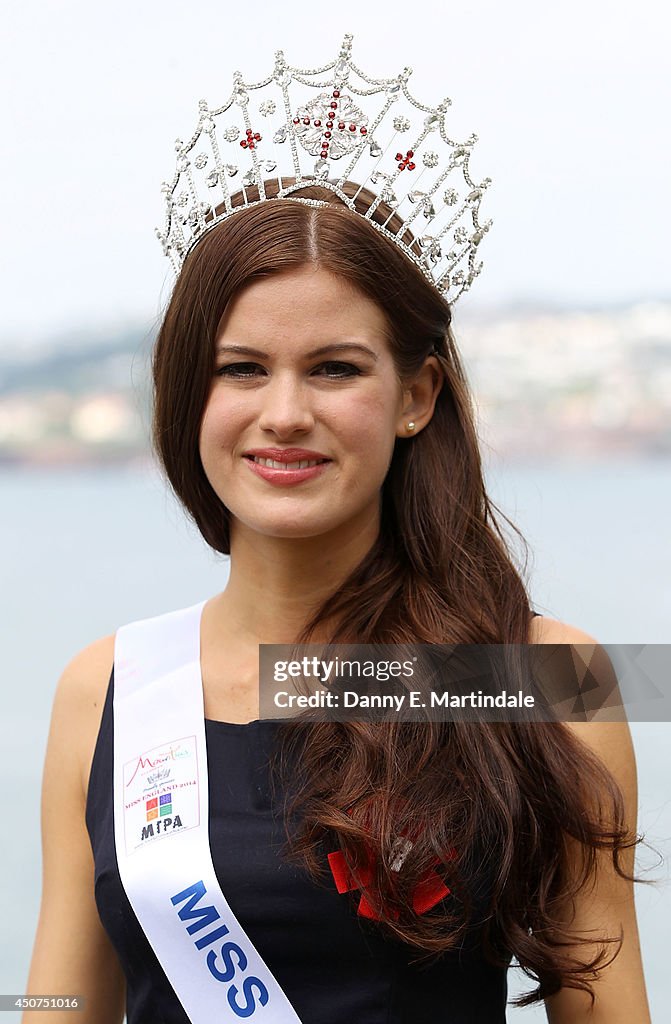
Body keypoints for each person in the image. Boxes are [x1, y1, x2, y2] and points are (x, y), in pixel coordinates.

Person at [23, 38, 651, 1024]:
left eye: (333, 368)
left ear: (415, 395)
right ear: (189, 394)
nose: (282, 414)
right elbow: (59, 998)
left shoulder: (544, 677)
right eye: (240, 369)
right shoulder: (105, 688)